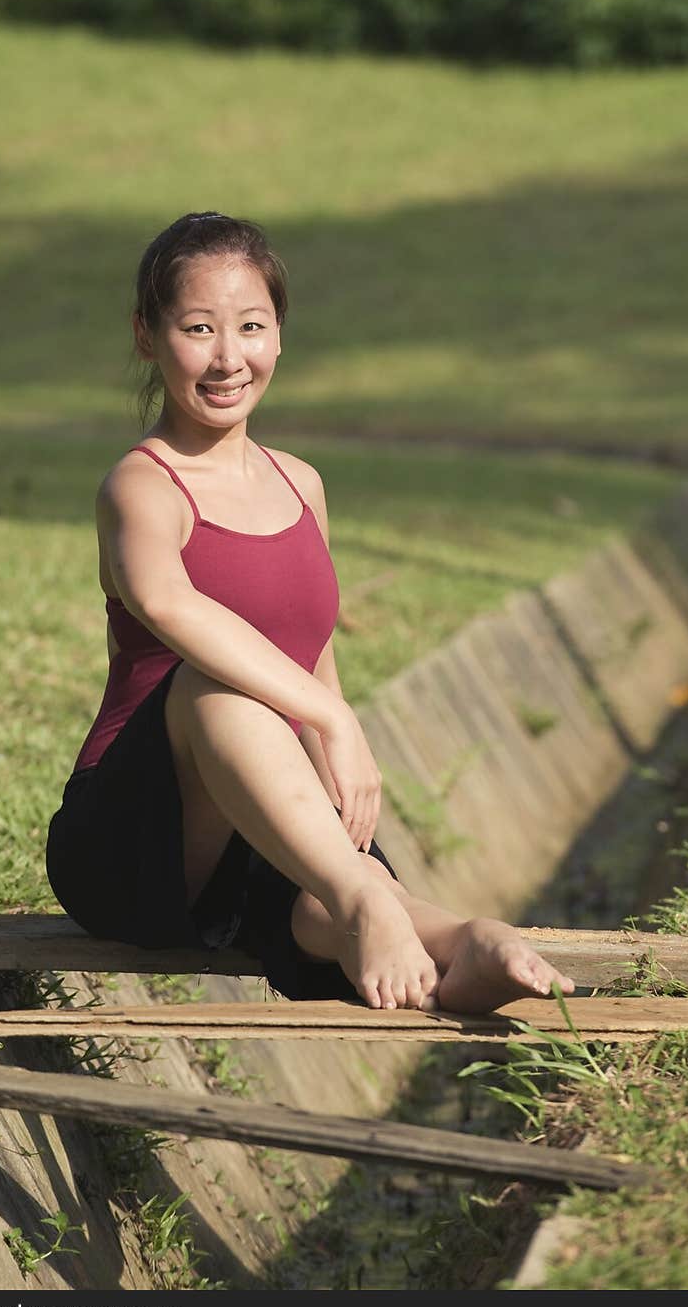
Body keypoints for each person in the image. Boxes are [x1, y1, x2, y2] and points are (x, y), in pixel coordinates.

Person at [45, 211, 575, 1014]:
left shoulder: (301, 483)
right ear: (148, 338)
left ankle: (466, 940)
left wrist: (334, 763)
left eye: (252, 327)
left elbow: (314, 649)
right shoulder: (142, 485)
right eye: (199, 328)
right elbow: (165, 603)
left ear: (280, 336)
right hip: (133, 842)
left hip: (258, 818)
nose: (230, 358)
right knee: (214, 686)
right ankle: (364, 902)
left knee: (319, 907)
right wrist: (331, 717)